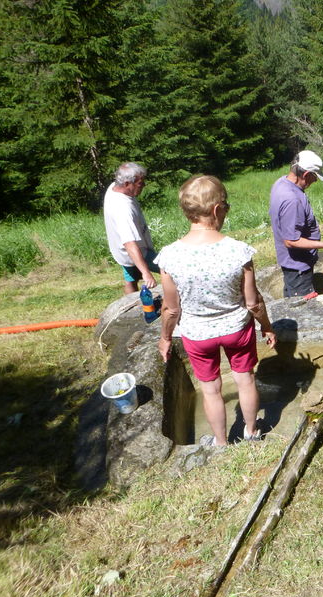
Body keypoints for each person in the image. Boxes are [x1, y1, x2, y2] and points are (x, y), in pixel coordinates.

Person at [157, 175, 277, 446]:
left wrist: (165, 338)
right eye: (226, 206)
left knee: (210, 390)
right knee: (245, 380)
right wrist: (266, 326)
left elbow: (171, 309)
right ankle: (251, 432)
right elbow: (253, 302)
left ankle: (221, 443)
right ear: (216, 210)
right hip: (237, 329)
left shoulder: (169, 256)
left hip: (198, 335)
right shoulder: (238, 251)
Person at [269, 150, 323, 298]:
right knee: (302, 307)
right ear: (305, 174)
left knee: (292, 298)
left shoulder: (281, 182)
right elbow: (291, 240)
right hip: (297, 267)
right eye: (314, 176)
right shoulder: (292, 200)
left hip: (292, 263)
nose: (315, 181)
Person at [103, 162, 160, 295]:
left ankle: (128, 308)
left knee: (130, 279)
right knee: (169, 269)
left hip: (121, 251)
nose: (144, 185)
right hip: (136, 252)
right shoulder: (123, 209)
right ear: (127, 184)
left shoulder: (114, 187)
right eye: (140, 183)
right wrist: (146, 273)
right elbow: (130, 243)